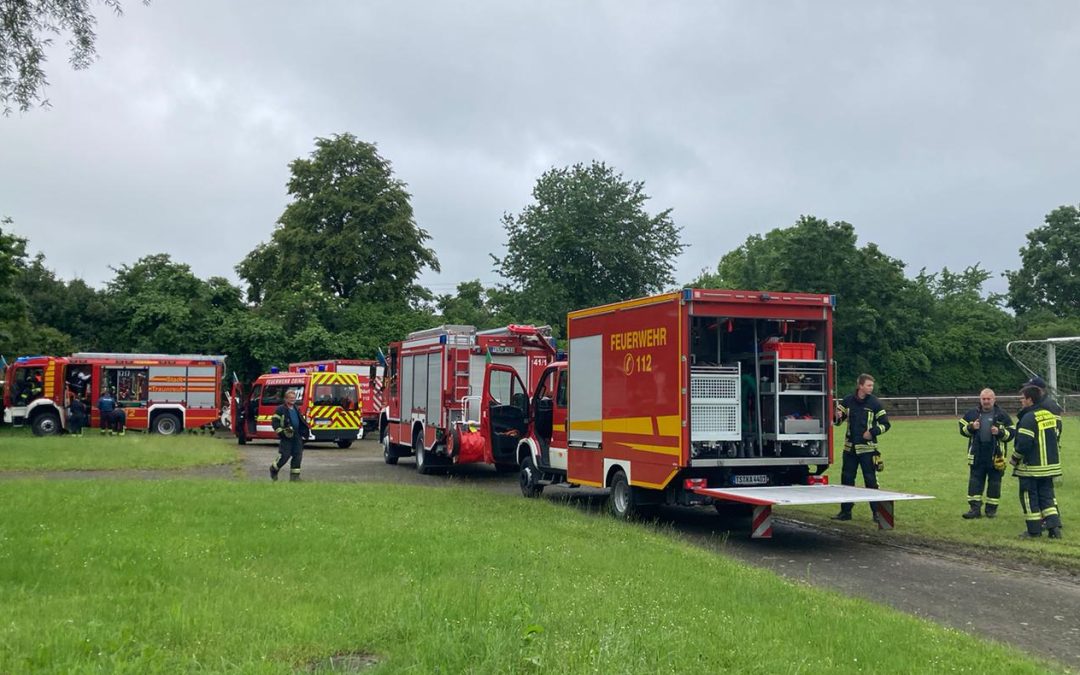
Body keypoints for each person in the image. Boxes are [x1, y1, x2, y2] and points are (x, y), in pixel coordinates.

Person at [832, 373, 891, 521]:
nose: (871, 388)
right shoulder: (847, 401)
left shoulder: (875, 403)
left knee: (871, 481)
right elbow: (837, 422)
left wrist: (872, 432)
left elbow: (886, 424)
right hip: (849, 449)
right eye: (869, 385)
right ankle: (846, 512)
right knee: (846, 480)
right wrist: (837, 416)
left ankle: (877, 513)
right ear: (860, 386)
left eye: (872, 385)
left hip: (868, 450)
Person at [1011, 385, 1063, 538]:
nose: (1021, 401)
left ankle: (1034, 531)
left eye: (1023, 398)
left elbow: (1024, 443)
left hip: (1031, 467)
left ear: (1030, 400)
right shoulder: (1049, 415)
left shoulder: (1028, 418)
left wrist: (1015, 458)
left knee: (1029, 497)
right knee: (1047, 497)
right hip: (1050, 467)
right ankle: (1054, 528)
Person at [958, 388, 1014, 519]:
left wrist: (999, 432)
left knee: (995, 483)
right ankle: (974, 509)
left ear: (994, 400)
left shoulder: (1002, 415)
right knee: (975, 482)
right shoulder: (972, 414)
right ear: (980, 399)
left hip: (996, 456)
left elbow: (1011, 433)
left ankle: (991, 510)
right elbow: (962, 429)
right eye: (984, 399)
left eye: (989, 399)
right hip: (977, 454)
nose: (986, 401)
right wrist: (971, 427)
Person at [270, 389, 309, 482]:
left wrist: (304, 431)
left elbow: (300, 421)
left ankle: (295, 477)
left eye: (294, 398)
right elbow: (275, 423)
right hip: (286, 437)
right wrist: (282, 432)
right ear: (286, 399)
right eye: (290, 398)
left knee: (298, 456)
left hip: (297, 436)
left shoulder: (296, 408)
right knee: (285, 456)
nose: (293, 399)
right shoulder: (280, 409)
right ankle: (273, 469)